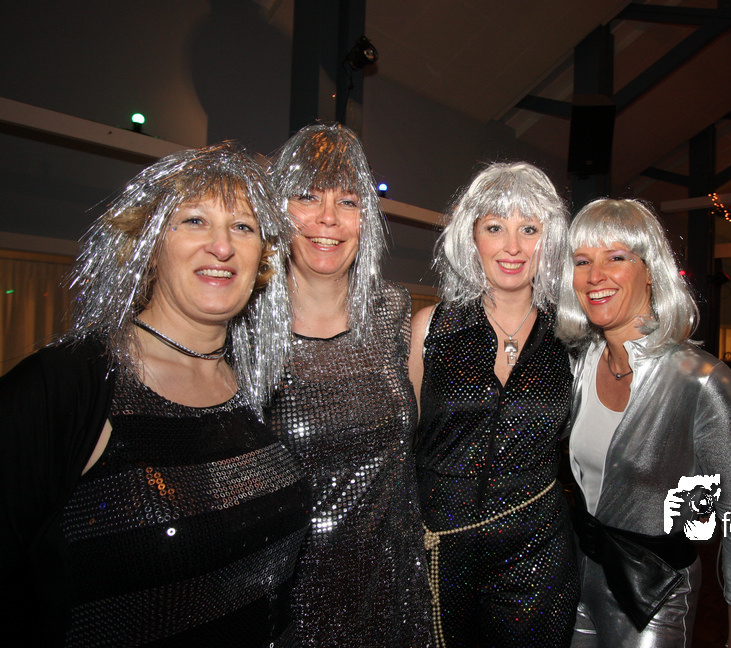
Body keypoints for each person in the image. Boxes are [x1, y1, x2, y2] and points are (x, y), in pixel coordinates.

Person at [0, 142, 309, 646]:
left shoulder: (259, 386)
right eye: (194, 221)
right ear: (149, 243)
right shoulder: (69, 385)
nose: (222, 246)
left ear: (263, 258)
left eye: (243, 227)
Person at [555, 198, 731, 648]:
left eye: (616, 257)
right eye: (582, 261)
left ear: (650, 271)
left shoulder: (702, 381)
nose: (595, 276)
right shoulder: (579, 366)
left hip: (654, 598)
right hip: (578, 585)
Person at [267, 123, 432, 647]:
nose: (328, 218)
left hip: (396, 586)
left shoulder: (391, 310)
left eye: (348, 201)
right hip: (291, 601)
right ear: (277, 209)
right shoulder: (246, 329)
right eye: (307, 196)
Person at [409, 162, 579, 648]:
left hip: (539, 555)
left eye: (529, 229)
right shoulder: (431, 328)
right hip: (440, 553)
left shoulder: (571, 340)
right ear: (472, 237)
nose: (512, 247)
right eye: (495, 228)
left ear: (549, 241)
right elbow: (403, 444)